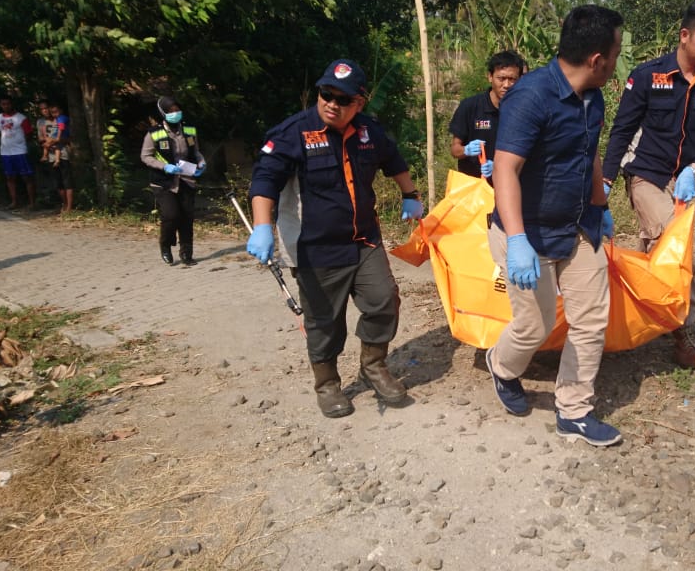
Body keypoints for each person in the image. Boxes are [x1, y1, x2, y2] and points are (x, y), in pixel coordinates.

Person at [245, 59, 423, 419]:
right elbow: (264, 182)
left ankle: (373, 366)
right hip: (317, 249)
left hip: (363, 240)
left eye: (342, 99)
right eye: (326, 94)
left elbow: (394, 159)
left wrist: (410, 193)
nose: (331, 103)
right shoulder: (293, 133)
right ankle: (327, 385)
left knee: (383, 299)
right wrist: (263, 226)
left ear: (359, 102)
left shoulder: (368, 132)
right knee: (324, 321)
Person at [485, 5, 623, 447]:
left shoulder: (593, 96)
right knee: (536, 326)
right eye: (617, 52)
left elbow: (592, 153)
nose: (620, 61)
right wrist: (519, 239)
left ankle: (574, 410)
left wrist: (600, 206)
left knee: (590, 319)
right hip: (527, 232)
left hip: (578, 226)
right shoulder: (531, 97)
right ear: (597, 59)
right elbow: (505, 169)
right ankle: (502, 367)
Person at [601, 1, 695, 370]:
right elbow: (622, 131)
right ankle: (681, 333)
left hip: (684, 180)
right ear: (685, 35)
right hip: (646, 172)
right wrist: (606, 181)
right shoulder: (648, 76)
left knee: (660, 250)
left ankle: (653, 310)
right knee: (673, 243)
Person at [140, 96, 205, 266]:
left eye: (177, 109)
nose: (175, 113)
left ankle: (186, 252)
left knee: (187, 216)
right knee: (171, 215)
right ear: (163, 113)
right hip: (164, 181)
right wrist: (164, 166)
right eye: (171, 111)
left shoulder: (190, 130)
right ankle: (166, 246)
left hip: (186, 179)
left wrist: (202, 162)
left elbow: (196, 152)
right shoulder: (154, 133)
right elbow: (145, 156)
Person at [448, 50, 526, 179]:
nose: (506, 85)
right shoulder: (470, 106)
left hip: (508, 185)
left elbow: (530, 154)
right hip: (474, 188)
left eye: (512, 79)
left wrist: (499, 167)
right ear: (490, 76)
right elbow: (455, 150)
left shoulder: (524, 111)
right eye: (501, 78)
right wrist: (466, 150)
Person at [0, 96, 36, 210]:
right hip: (5, 152)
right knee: (9, 177)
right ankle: (14, 201)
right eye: (3, 104)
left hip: (19, 151)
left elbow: (29, 134)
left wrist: (21, 143)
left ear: (11, 104)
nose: (6, 106)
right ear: (0, 105)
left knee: (26, 177)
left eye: (8, 103)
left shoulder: (21, 118)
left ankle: (32, 203)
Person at [48, 102, 75, 214]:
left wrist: (55, 139)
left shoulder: (62, 119)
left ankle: (69, 207)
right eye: (52, 112)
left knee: (67, 181)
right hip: (53, 154)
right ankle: (64, 205)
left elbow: (61, 131)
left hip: (63, 152)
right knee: (58, 182)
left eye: (56, 111)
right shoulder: (55, 120)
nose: (54, 114)